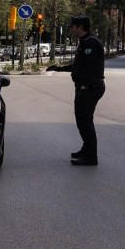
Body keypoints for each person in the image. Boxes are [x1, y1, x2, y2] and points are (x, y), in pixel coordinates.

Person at [47, 14, 105, 166]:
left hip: (90, 88)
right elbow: (79, 66)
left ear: (80, 27)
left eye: (72, 26)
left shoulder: (91, 43)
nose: (71, 29)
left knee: (85, 122)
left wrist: (85, 85)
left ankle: (91, 156)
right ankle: (86, 150)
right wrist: (59, 68)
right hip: (85, 88)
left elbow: (90, 68)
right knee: (82, 121)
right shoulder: (84, 42)